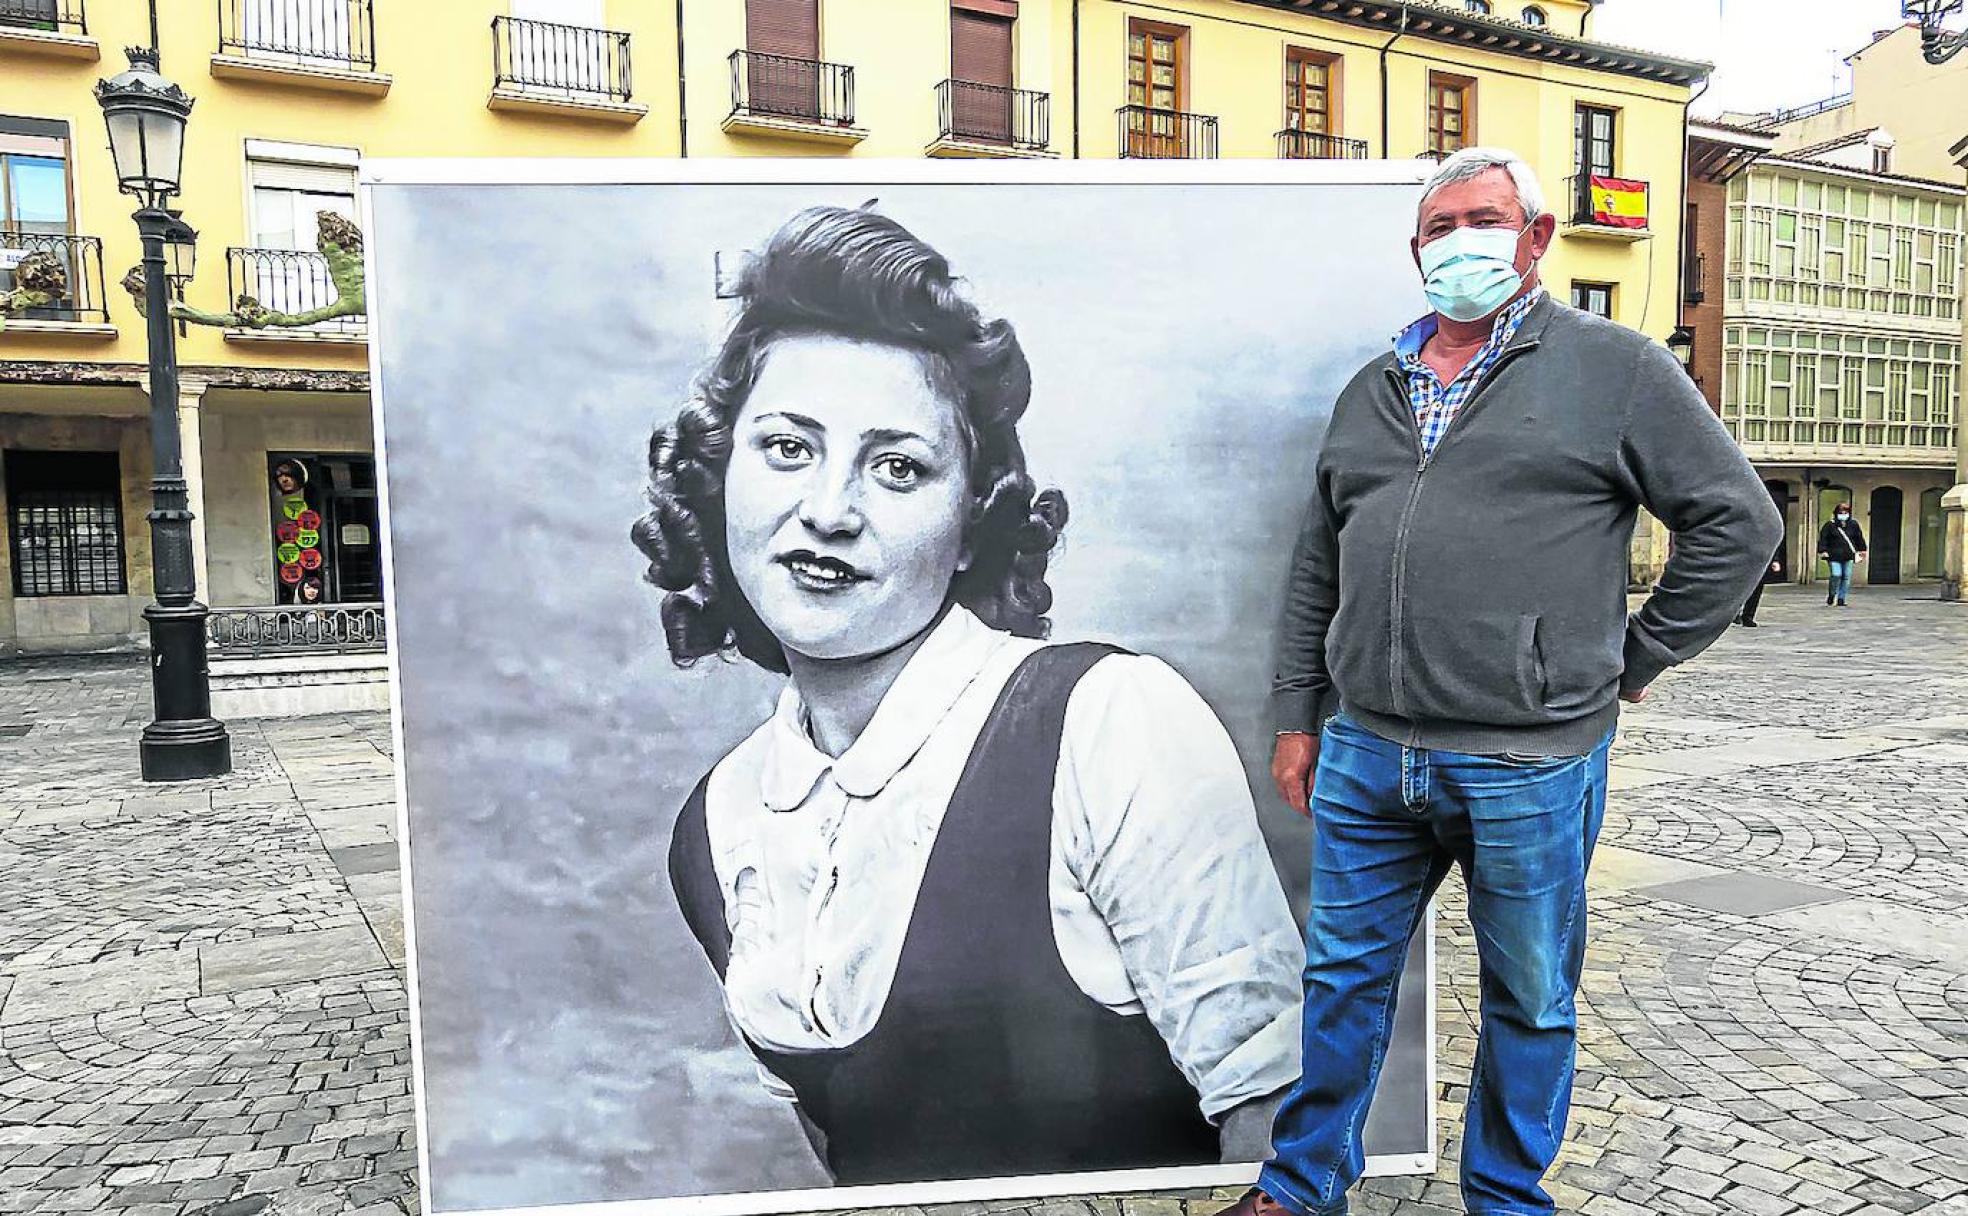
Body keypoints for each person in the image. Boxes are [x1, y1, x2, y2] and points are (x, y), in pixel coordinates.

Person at [632, 204, 1302, 1186]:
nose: (830, 509)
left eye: (898, 466)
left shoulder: (1106, 723)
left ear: (971, 518)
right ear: (719, 473)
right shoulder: (718, 827)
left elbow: (1283, 1122)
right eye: (786, 447)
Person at [1217, 148, 1782, 1216]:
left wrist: (1639, 654)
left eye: (1485, 218)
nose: (1461, 240)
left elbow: (1739, 521)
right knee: (1339, 983)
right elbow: (1316, 565)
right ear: (1418, 250)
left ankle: (1506, 1198)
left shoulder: (1614, 369)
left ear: (1536, 237)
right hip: (1369, 752)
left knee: (1528, 994)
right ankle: (1298, 1188)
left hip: (1527, 758)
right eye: (1441, 226)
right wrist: (1299, 716)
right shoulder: (1372, 386)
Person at [1817, 502, 1866, 606]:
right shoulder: (1830, 525)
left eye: (1846, 512)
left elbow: (1858, 538)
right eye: (1841, 512)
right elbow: (1823, 538)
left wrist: (1862, 550)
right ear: (1836, 513)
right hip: (1833, 555)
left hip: (1848, 555)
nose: (1843, 514)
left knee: (1846, 577)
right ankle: (1832, 594)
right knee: (1836, 574)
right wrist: (1823, 550)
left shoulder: (1853, 524)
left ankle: (1841, 598)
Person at [1735, 541, 1785, 628]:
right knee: (1740, 588)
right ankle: (1735, 613)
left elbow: (1772, 542)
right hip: (1743, 558)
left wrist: (1775, 560)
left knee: (1756, 589)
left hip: (1760, 559)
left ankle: (1748, 616)